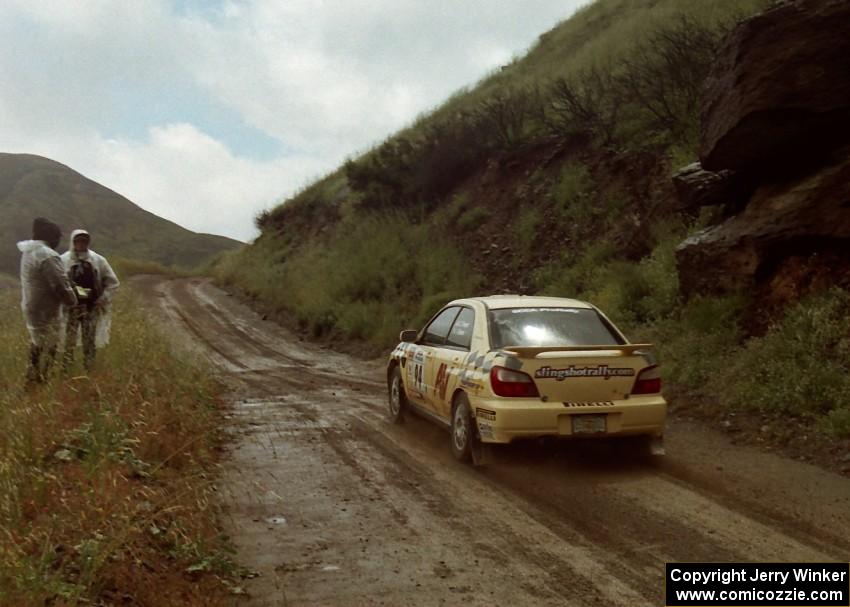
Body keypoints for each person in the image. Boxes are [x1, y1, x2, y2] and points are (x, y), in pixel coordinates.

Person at [17, 217, 78, 384]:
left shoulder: (28, 252)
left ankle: (32, 376)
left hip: (31, 305)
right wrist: (73, 301)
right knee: (51, 343)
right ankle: (43, 378)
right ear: (52, 238)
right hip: (46, 308)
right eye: (58, 238)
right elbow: (59, 285)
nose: (59, 241)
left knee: (37, 342)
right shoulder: (47, 255)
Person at [61, 229, 120, 371]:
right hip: (72, 308)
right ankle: (66, 368)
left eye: (84, 241)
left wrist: (103, 299)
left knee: (89, 339)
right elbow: (57, 282)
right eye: (78, 241)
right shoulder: (64, 260)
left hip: (90, 307)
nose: (81, 244)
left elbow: (113, 282)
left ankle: (89, 368)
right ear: (73, 242)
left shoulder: (98, 260)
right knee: (69, 340)